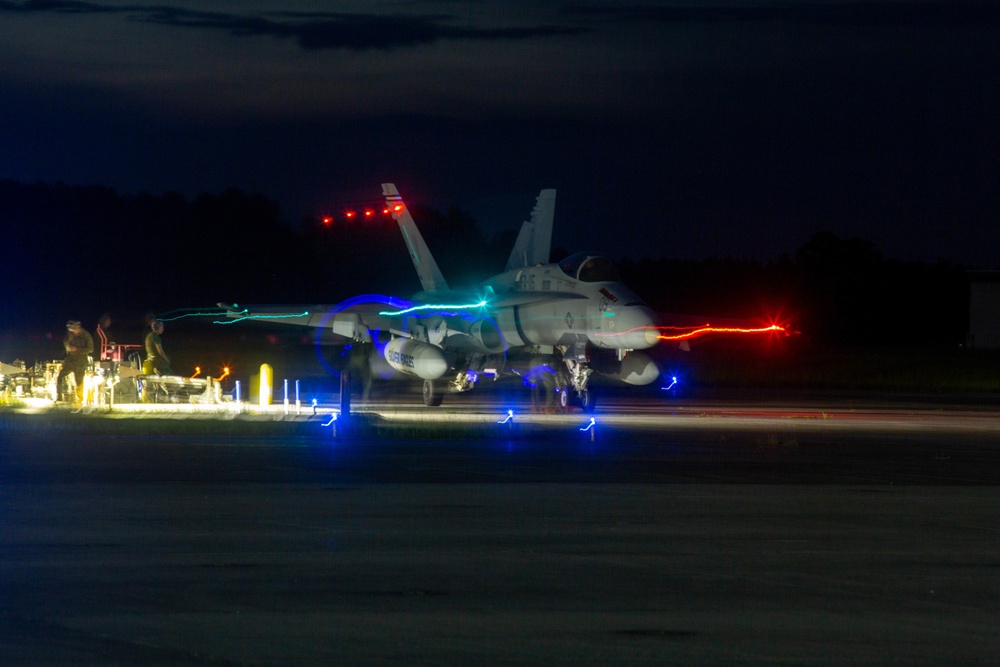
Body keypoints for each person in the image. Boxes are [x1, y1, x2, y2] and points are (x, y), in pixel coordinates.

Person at [56, 320, 94, 404]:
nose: (72, 331)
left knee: (79, 381)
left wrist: (77, 349)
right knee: (60, 377)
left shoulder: (86, 335)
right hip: (70, 360)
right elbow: (65, 341)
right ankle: (59, 397)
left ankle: (79, 400)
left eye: (73, 329)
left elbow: (90, 349)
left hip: (80, 361)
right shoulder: (69, 334)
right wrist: (68, 348)